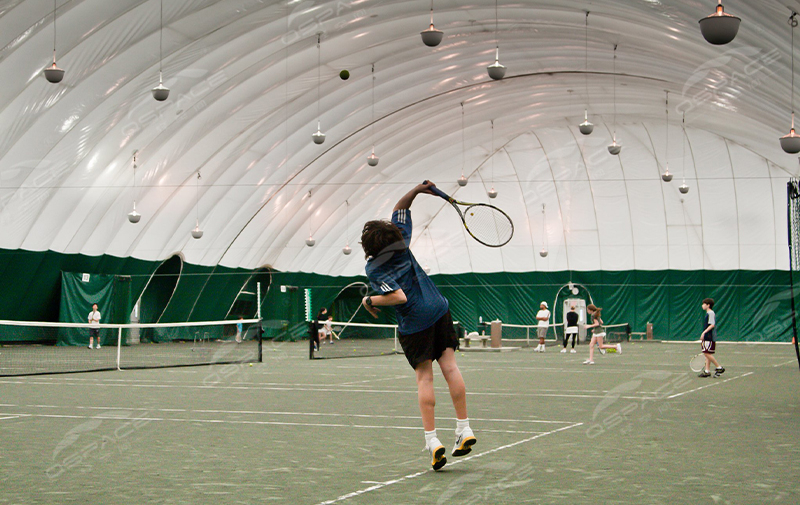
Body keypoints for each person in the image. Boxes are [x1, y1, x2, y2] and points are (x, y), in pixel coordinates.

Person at [361, 181, 475, 471]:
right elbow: (401, 207)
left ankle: (433, 441)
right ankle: (465, 428)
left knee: (425, 378)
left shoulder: (374, 267)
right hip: (440, 309)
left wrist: (370, 300)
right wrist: (417, 189)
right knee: (450, 367)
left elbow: (397, 296)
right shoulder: (402, 242)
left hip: (415, 323)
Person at [698, 298, 725, 378]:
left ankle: (719, 367)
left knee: (706, 352)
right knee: (707, 353)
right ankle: (707, 371)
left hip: (709, 336)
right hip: (708, 336)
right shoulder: (708, 313)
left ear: (708, 305)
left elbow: (712, 325)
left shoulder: (711, 313)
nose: (702, 305)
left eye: (704, 304)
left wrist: (704, 333)